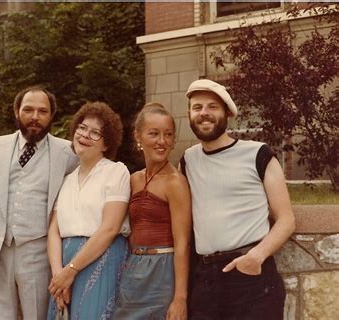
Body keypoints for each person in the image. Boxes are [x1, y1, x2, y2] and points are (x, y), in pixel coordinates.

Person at [0, 86, 78, 319]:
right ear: (16, 111)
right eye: (28, 109)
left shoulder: (68, 152)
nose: (35, 117)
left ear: (52, 115)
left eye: (42, 111)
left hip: (39, 253)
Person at [179, 79, 295, 320]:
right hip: (205, 279)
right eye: (197, 107)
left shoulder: (258, 154)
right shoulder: (187, 160)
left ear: (227, 113)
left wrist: (256, 256)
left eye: (212, 106)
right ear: (189, 114)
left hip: (251, 278)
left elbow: (286, 220)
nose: (204, 113)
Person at [46, 101, 131, 320]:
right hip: (64, 262)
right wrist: (58, 275)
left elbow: (110, 228)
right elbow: (54, 230)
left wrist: (71, 270)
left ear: (106, 144)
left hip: (101, 260)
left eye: (95, 133)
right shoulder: (66, 179)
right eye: (82, 128)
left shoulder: (115, 172)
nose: (85, 135)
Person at [114, 103, 192, 320]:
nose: (162, 141)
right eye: (154, 133)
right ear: (138, 136)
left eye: (168, 134)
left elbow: (183, 243)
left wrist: (180, 298)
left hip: (163, 272)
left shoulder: (175, 183)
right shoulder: (133, 179)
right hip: (133, 270)